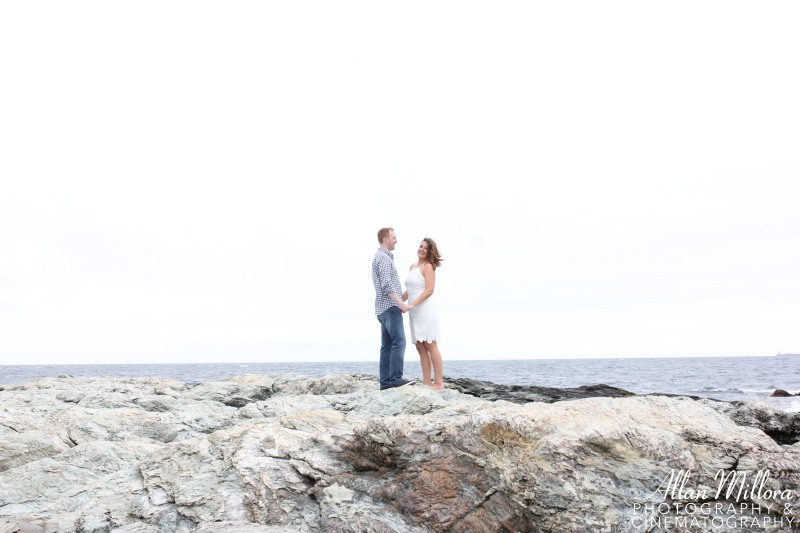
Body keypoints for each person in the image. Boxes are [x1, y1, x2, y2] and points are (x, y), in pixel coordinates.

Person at [372, 227, 416, 390]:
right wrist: (401, 304)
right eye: (394, 237)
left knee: (387, 346)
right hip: (390, 307)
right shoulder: (383, 258)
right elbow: (387, 285)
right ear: (385, 239)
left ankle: (385, 383)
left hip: (382, 308)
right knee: (399, 341)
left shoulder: (381, 257)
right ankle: (396, 379)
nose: (396, 240)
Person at [403, 237, 445, 390]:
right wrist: (400, 300)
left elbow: (429, 290)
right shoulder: (413, 266)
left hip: (425, 310)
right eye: (421, 246)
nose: (421, 249)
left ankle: (439, 383)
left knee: (430, 344)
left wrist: (413, 304)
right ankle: (427, 383)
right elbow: (410, 290)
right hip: (413, 312)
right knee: (420, 347)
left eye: (425, 248)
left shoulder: (428, 266)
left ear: (429, 252)